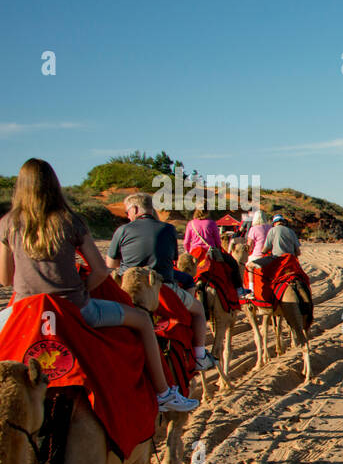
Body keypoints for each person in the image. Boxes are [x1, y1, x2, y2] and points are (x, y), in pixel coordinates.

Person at [0, 159, 198, 413]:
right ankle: (163, 393)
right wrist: (82, 287)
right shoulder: (69, 220)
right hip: (74, 307)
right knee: (142, 321)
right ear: (54, 186)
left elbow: (5, 279)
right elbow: (101, 270)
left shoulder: (8, 223)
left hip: (25, 310)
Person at [106, 193, 216, 371]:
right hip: (162, 286)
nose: (128, 216)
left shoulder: (122, 230)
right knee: (198, 310)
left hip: (130, 289)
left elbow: (111, 264)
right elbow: (172, 259)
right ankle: (199, 355)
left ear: (135, 209)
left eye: (128, 212)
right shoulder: (168, 229)